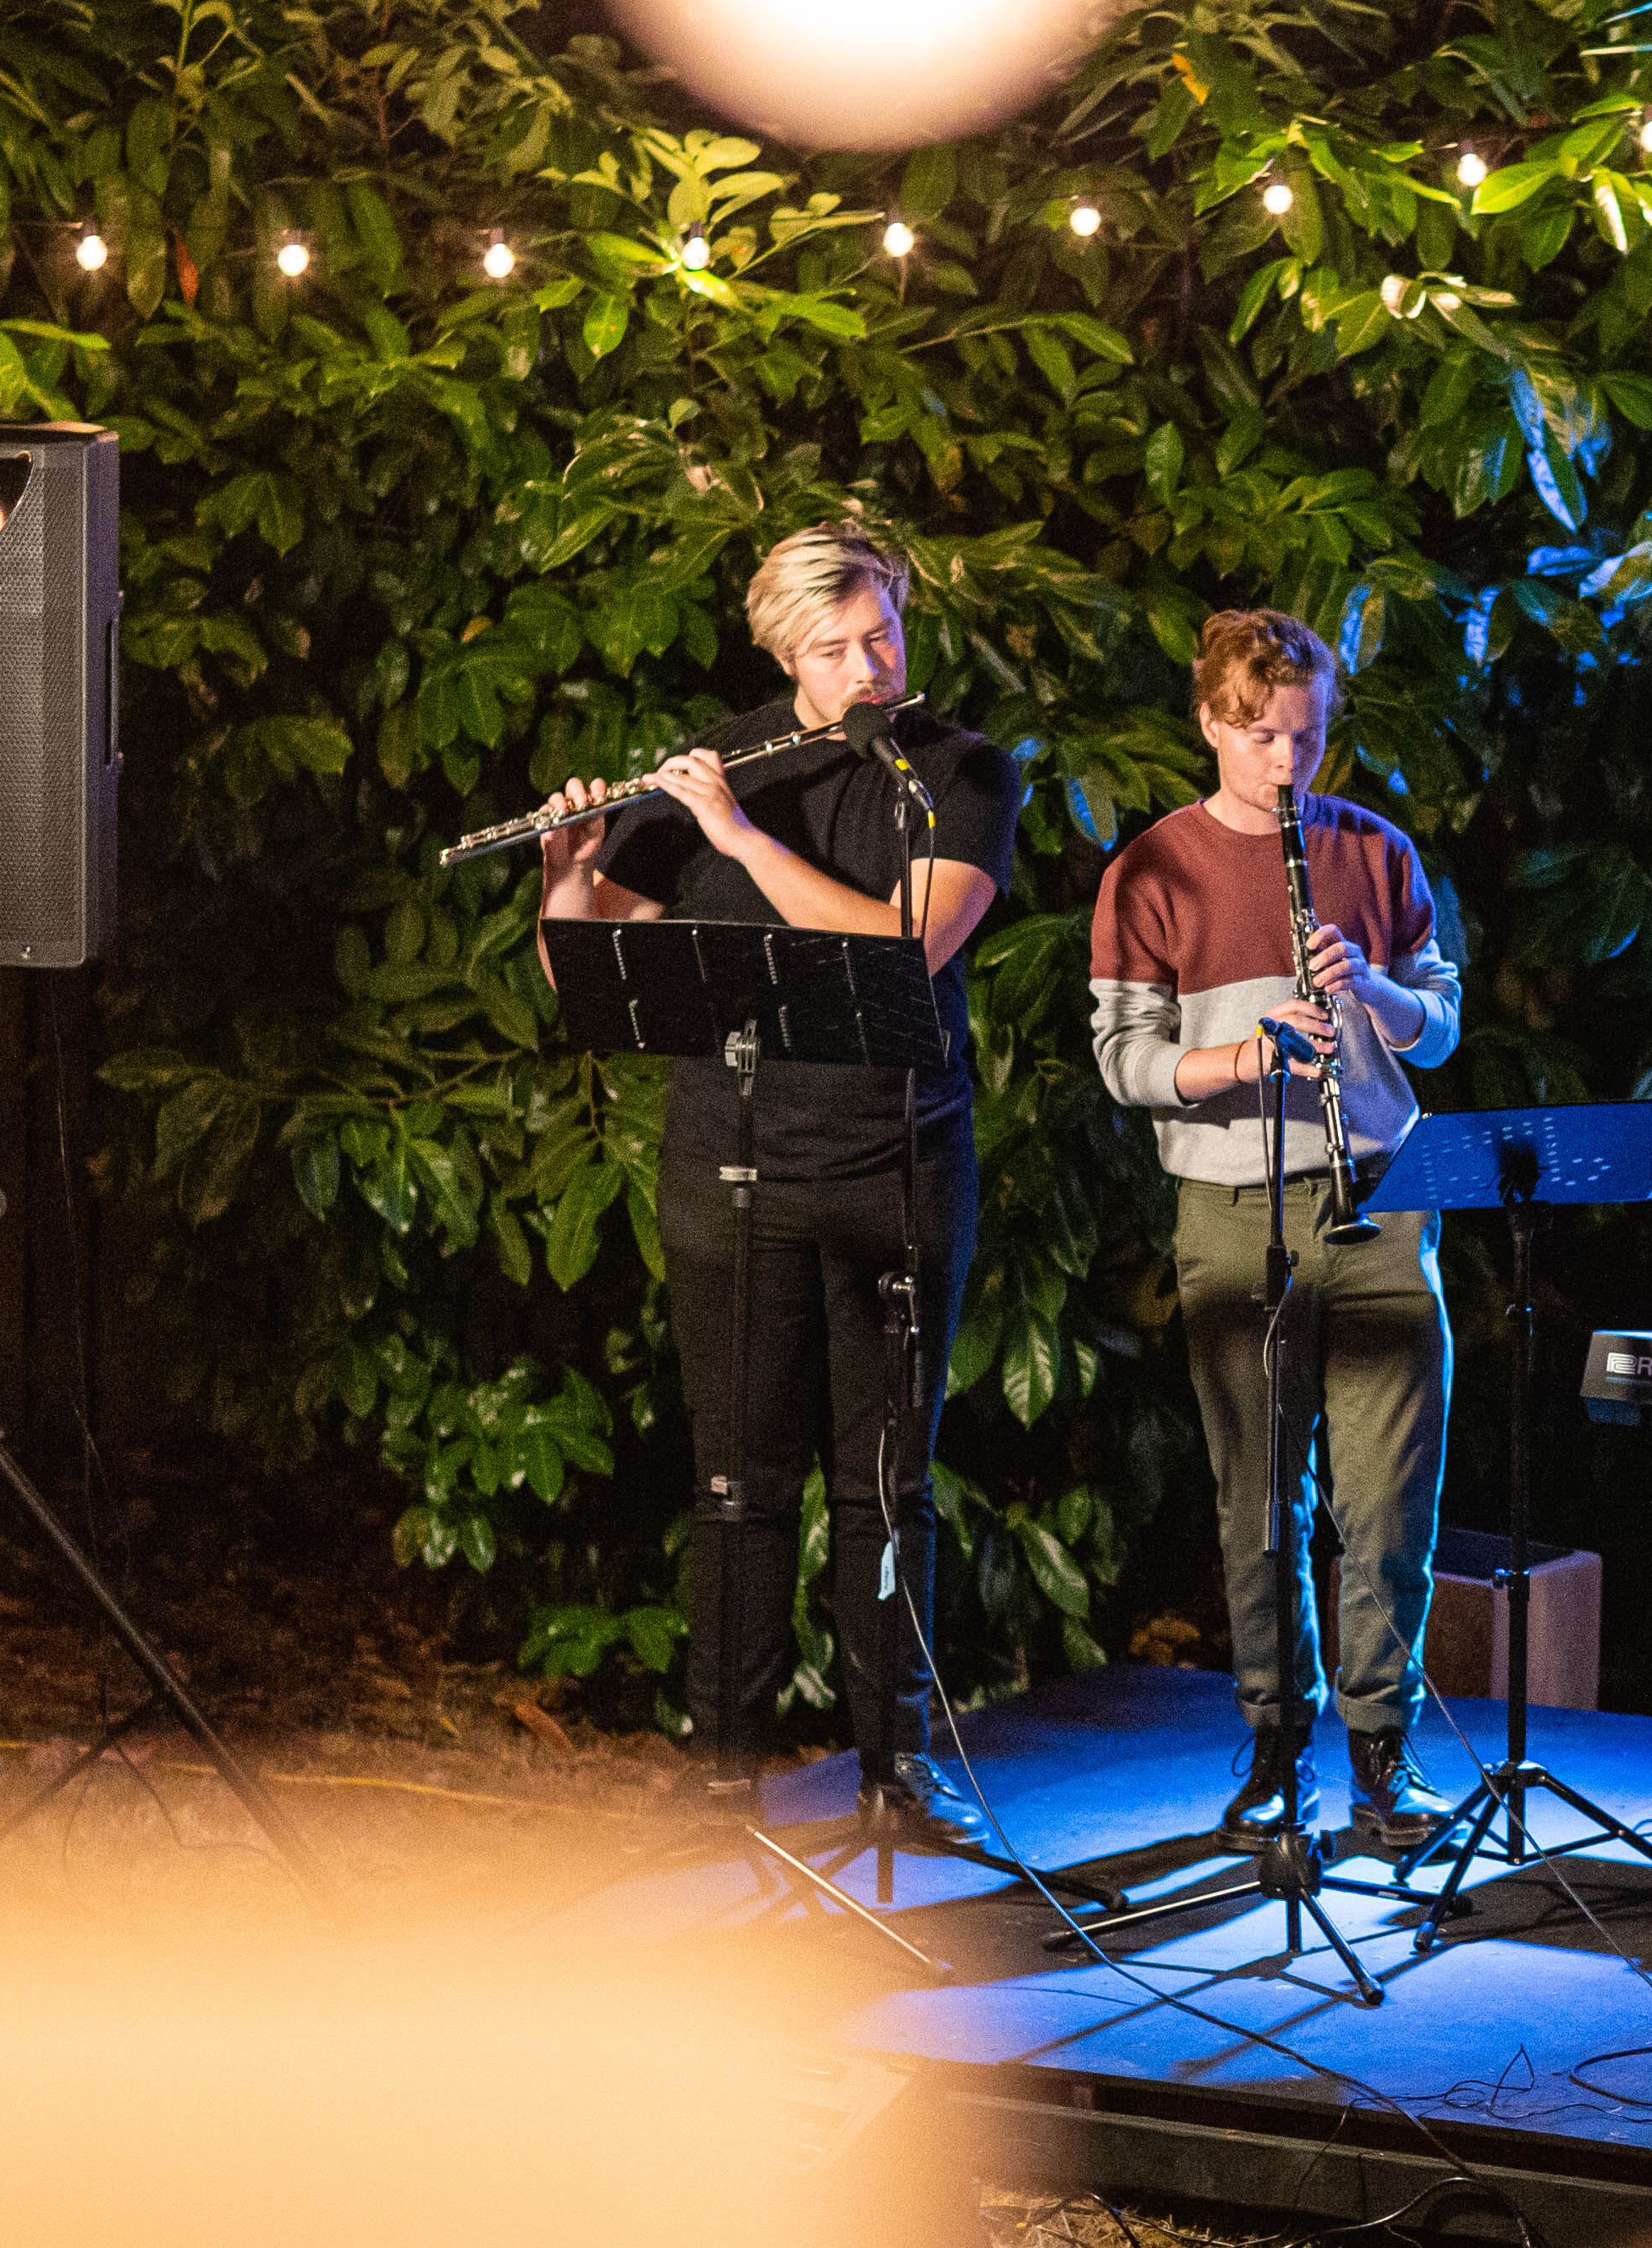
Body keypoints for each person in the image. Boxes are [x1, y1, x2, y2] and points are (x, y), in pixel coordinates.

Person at [533, 520, 1021, 1862]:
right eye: (833, 648)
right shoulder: (719, 763)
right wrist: (567, 874)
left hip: (896, 1165)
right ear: (783, 654)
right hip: (731, 1168)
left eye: (882, 635)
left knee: (885, 1486)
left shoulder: (959, 772)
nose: (868, 667)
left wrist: (739, 839)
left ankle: (896, 1772)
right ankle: (720, 1776)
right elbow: (592, 974)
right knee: (735, 1483)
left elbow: (902, 947)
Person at [1091, 609, 1464, 1856]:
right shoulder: (1153, 868)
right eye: (1259, 737)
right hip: (1232, 1202)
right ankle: (1272, 1743)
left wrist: (1375, 991)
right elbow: (1124, 1060)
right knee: (1257, 1502)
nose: (1286, 762)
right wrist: (1240, 1058)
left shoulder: (1375, 851)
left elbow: (1440, 1027)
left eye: (1305, 737)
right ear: (1211, 723)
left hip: (1378, 1193)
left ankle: (1383, 1753)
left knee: (1388, 1503)